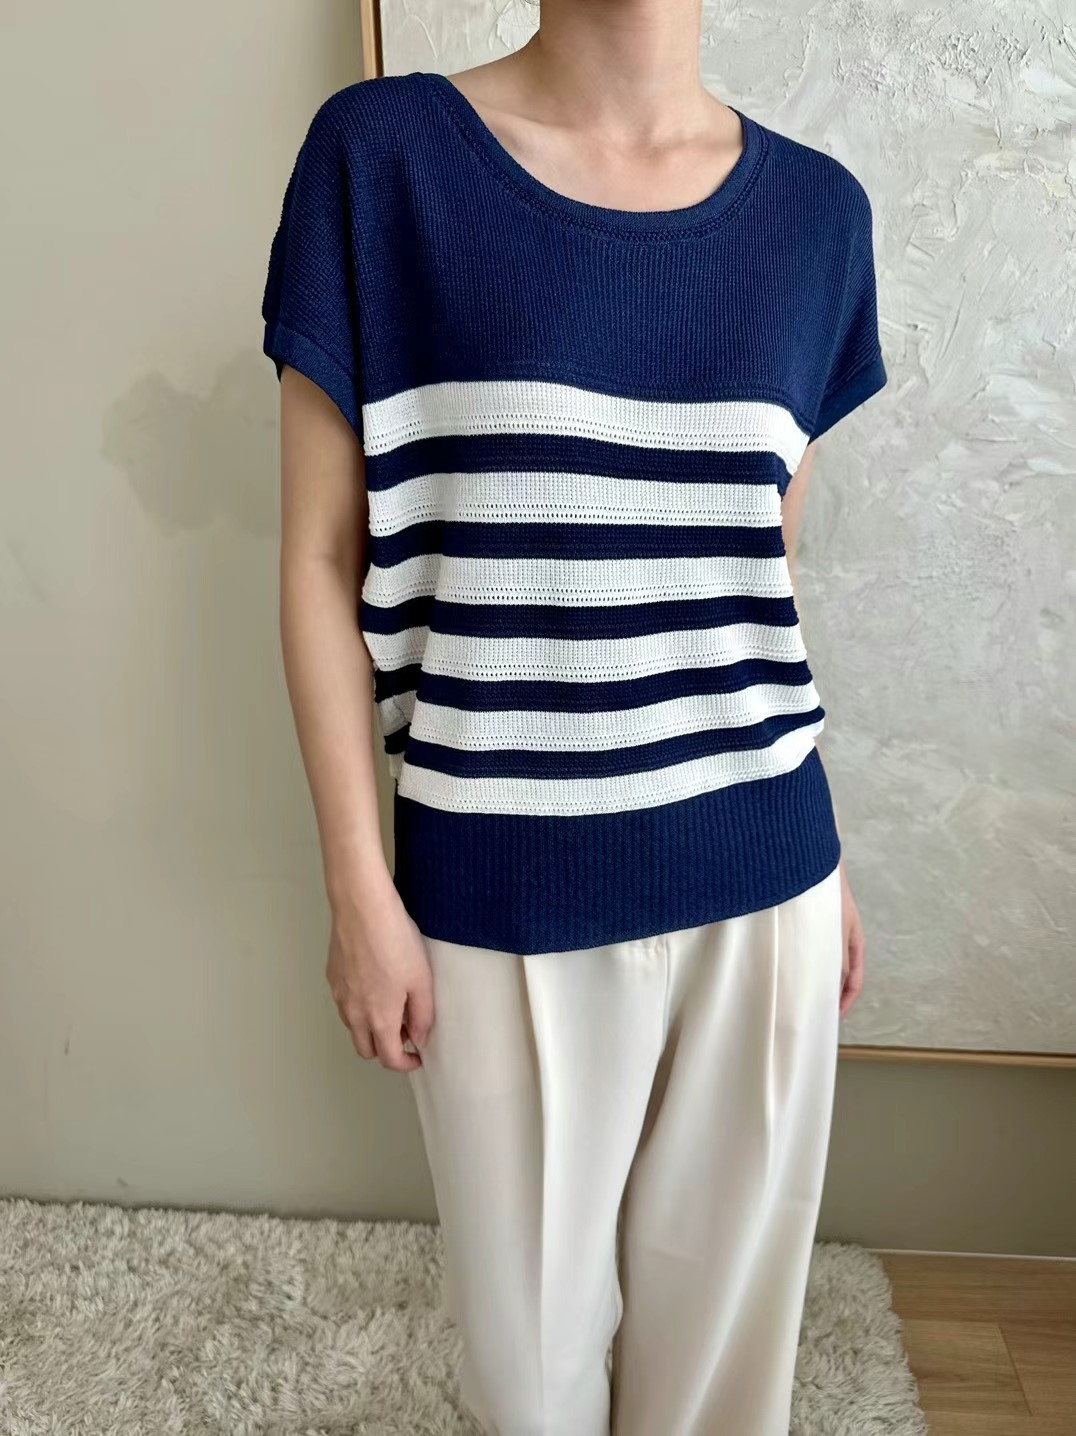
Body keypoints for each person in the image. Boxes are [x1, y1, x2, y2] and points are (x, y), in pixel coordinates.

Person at [261, 2, 886, 1431]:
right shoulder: (386, 161)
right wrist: (359, 887)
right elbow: (318, 560)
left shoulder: (817, 216)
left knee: (725, 1379)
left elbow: (755, 581)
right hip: (502, 884)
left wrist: (831, 861)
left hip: (768, 874)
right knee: (528, 1370)